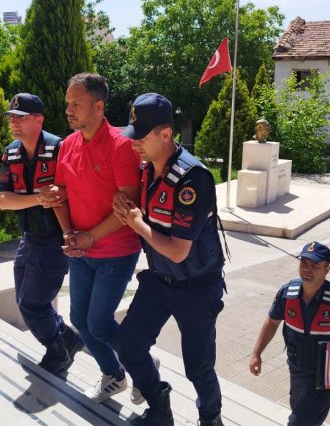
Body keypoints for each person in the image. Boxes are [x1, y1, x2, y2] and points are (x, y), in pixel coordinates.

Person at [112, 93, 227, 426]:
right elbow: (150, 220)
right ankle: (159, 406)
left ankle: (211, 419)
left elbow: (178, 249)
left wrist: (137, 223)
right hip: (160, 281)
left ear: (166, 134)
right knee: (129, 347)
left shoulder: (194, 178)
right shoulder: (148, 170)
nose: (135, 144)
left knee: (199, 368)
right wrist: (128, 210)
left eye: (142, 136)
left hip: (196, 288)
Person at [46, 73, 142, 402]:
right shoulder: (67, 145)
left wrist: (88, 237)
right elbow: (63, 194)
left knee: (99, 322)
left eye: (76, 104)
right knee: (78, 319)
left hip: (115, 251)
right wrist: (69, 233)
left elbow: (127, 206)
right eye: (67, 103)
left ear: (98, 107)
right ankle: (114, 375)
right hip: (82, 250)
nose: (69, 110)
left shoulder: (121, 146)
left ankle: (143, 365)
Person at [0, 93, 83, 374]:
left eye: (20, 119)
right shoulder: (11, 152)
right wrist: (39, 198)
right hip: (28, 238)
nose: (14, 123)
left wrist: (58, 198)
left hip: (55, 240)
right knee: (25, 302)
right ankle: (68, 338)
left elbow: (81, 190)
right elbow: (4, 200)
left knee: (33, 304)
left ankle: (59, 352)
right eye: (11, 118)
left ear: (39, 119)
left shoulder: (61, 148)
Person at [249, 241, 330, 426]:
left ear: (326, 269)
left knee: (298, 423)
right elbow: (271, 322)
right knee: (302, 414)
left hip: (325, 378)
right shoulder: (287, 293)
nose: (307, 268)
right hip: (297, 370)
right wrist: (256, 354)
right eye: (304, 263)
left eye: (314, 265)